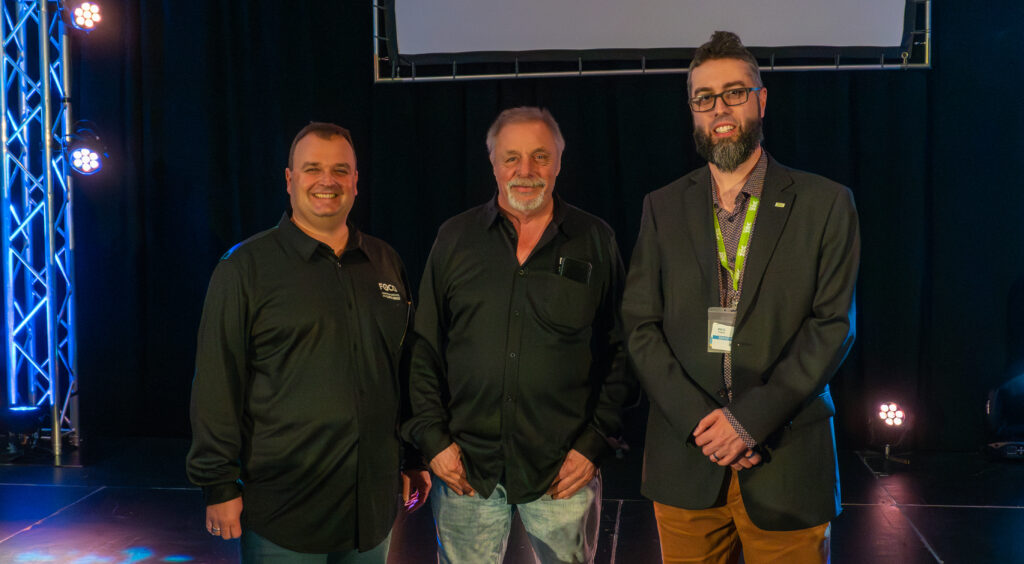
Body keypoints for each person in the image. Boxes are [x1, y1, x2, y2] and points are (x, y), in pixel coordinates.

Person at [622, 31, 860, 564]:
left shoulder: (825, 203)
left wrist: (748, 421)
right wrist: (703, 426)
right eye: (704, 98)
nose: (720, 109)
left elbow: (833, 327)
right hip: (687, 460)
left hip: (787, 461)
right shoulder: (661, 207)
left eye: (734, 92)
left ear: (762, 98)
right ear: (692, 110)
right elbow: (640, 325)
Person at [186, 122, 430, 563]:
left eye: (341, 170)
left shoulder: (385, 261)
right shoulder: (245, 268)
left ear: (356, 181)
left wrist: (413, 456)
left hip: (370, 509)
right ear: (289, 179)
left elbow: (402, 367)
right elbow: (217, 382)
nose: (327, 181)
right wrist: (218, 484)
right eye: (313, 168)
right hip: (285, 511)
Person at [402, 107, 632, 564]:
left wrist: (593, 445)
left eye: (540, 157)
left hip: (563, 472)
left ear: (559, 162)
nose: (525, 171)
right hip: (465, 469)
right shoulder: (455, 238)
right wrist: (433, 441)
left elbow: (623, 351)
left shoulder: (595, 239)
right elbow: (422, 347)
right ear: (492, 161)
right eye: (511, 158)